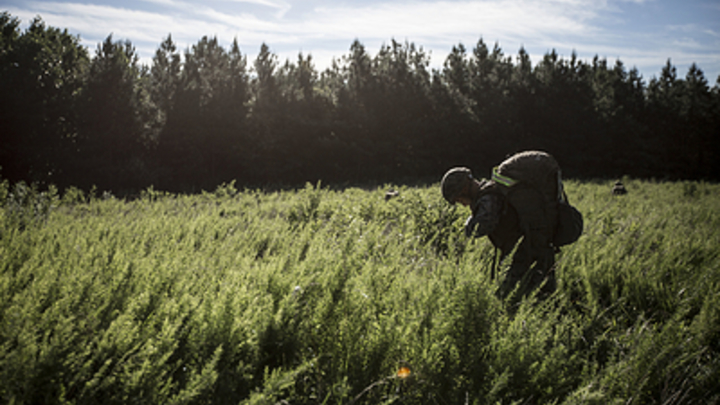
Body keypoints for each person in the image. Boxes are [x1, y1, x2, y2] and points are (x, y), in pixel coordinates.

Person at [441, 151, 564, 299]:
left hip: (525, 254)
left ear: (464, 189)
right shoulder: (493, 192)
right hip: (536, 246)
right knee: (545, 297)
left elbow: (480, 227)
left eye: (458, 198)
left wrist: (468, 224)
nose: (461, 203)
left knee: (509, 298)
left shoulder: (489, 196)